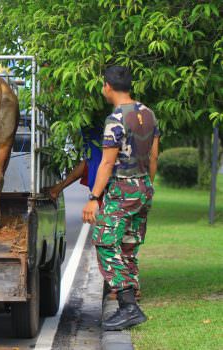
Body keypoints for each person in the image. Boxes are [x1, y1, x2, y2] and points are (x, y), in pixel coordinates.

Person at [82, 66, 159, 331]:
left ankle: (128, 305)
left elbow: (106, 163)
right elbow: (153, 157)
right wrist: (146, 186)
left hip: (122, 188)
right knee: (128, 243)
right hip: (144, 187)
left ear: (107, 87)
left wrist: (94, 197)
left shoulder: (115, 119)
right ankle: (132, 296)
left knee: (104, 241)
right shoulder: (148, 114)